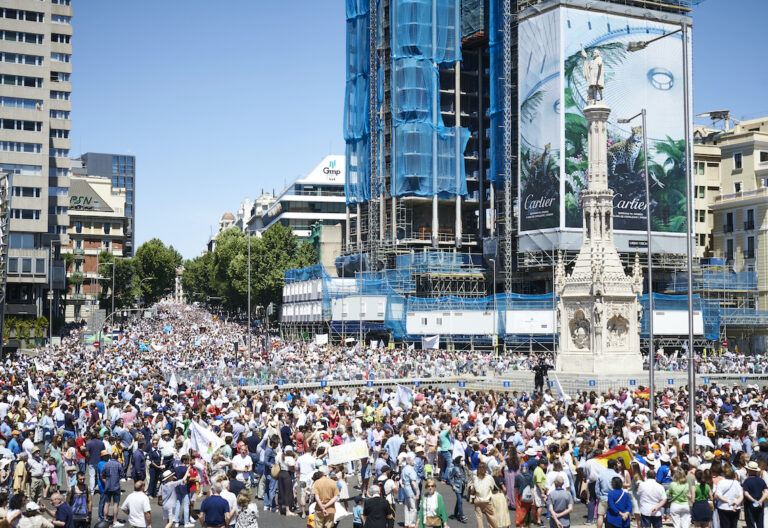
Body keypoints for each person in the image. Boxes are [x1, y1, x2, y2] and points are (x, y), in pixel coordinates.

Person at [100, 451, 125, 526]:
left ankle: (105, 519)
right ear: (117, 458)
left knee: (107, 503)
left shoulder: (106, 464)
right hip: (116, 486)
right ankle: (115, 521)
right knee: (116, 504)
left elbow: (102, 475)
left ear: (111, 457)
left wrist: (106, 481)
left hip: (108, 486)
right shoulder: (118, 464)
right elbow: (122, 474)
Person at [472, 463, 498, 528]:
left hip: (478, 500)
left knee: (479, 517)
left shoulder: (475, 478)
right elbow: (492, 487)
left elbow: (474, 488)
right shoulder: (489, 477)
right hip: (487, 500)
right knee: (491, 516)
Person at [742, 461, 768, 528]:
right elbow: (766, 492)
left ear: (749, 470)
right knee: (760, 522)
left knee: (750, 522)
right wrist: (760, 501)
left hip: (749, 503)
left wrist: (754, 500)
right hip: (760, 503)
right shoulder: (761, 480)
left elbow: (746, 493)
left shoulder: (747, 481)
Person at [448, 455, 468, 523]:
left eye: (463, 460)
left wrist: (466, 481)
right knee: (460, 501)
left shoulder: (463, 468)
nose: (463, 462)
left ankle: (455, 514)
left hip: (462, 487)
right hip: (457, 487)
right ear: (458, 461)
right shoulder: (455, 469)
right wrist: (453, 485)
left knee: (458, 501)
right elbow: (450, 478)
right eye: (461, 460)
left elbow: (463, 476)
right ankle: (462, 516)